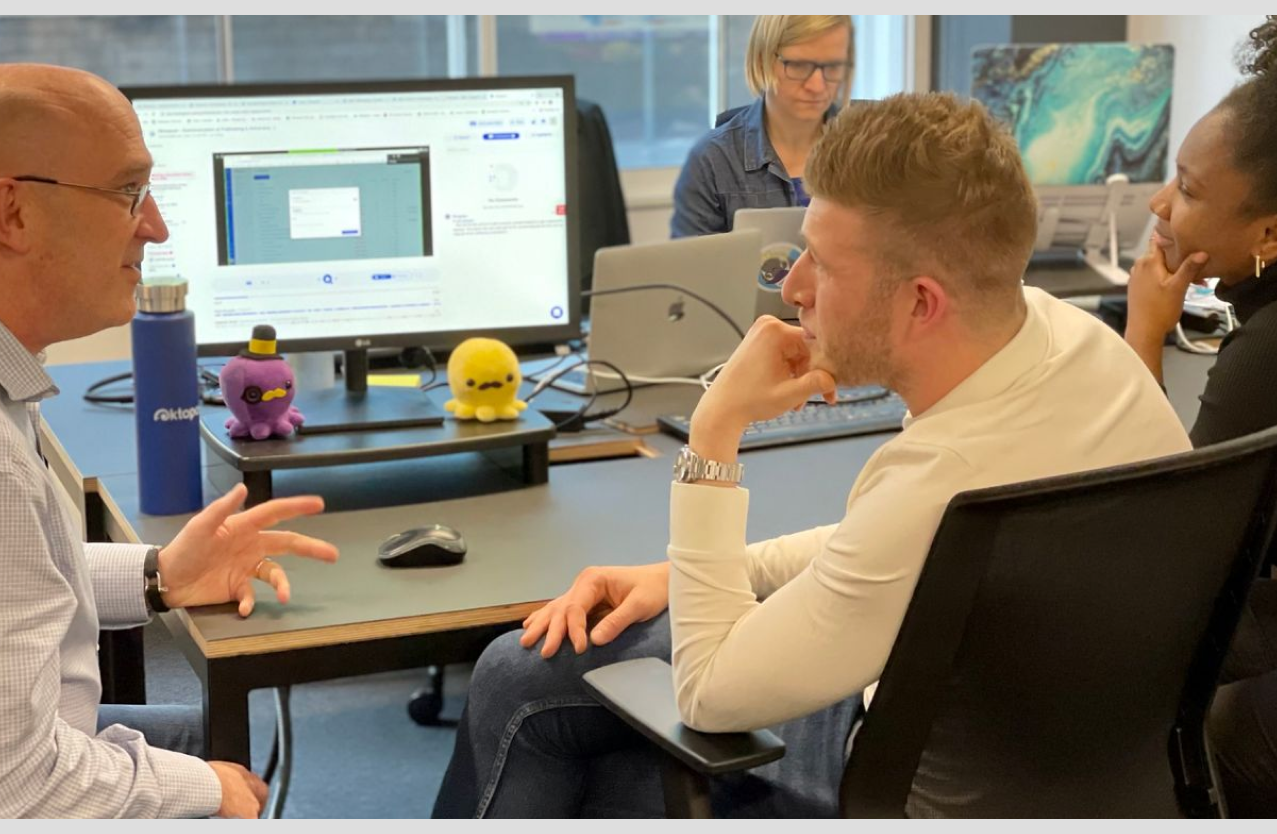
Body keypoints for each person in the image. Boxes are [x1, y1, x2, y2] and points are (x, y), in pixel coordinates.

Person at [433, 91, 1193, 818]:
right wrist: (687, 575)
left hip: (901, 787)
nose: (792, 286)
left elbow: (708, 693)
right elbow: (901, 550)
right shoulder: (1082, 344)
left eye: (822, 266)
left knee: (517, 683)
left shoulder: (937, 480)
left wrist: (714, 431)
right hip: (1066, 764)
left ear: (920, 303)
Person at [0, 64, 341, 819]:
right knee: (224, 772)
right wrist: (203, 788)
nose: (154, 224)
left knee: (204, 732)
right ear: (13, 212)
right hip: (9, 785)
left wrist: (159, 575)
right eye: (129, 191)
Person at [1123, 15, 1277, 818]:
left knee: (1201, 738)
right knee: (1148, 647)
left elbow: (1157, 530)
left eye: (1189, 191)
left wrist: (1145, 329)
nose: (1161, 202)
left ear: (1274, 233)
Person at [670, 15, 853, 238]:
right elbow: (690, 269)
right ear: (761, 60)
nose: (817, 86)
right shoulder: (712, 162)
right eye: (798, 65)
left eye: (833, 67)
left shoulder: (871, 152)